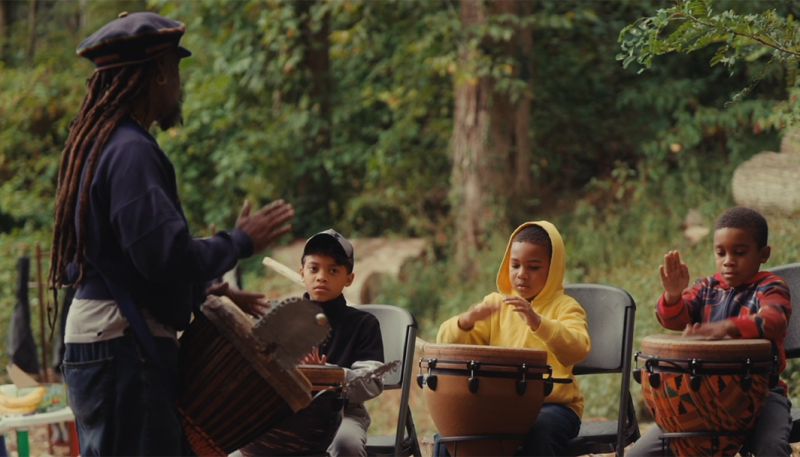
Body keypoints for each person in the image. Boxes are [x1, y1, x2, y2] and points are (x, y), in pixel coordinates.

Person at [48, 12, 294, 457]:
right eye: (176, 68)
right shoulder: (130, 152)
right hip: (123, 349)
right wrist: (239, 242)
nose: (179, 82)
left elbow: (129, 258)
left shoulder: (105, 145)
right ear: (159, 71)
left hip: (108, 343)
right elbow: (163, 257)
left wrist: (203, 288)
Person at [627, 206, 793, 457]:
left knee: (771, 448)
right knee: (639, 454)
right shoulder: (705, 287)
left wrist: (727, 327)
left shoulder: (770, 286)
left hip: (762, 394)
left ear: (763, 253)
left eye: (740, 252)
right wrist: (672, 295)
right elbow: (673, 319)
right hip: (700, 397)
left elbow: (774, 320)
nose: (729, 260)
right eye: (720, 252)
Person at [436, 221, 591, 457]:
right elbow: (446, 344)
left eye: (534, 267)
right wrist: (465, 322)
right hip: (500, 406)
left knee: (542, 428)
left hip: (553, 406)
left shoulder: (566, 307)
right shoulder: (495, 304)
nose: (522, 275)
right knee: (450, 436)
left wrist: (538, 322)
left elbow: (578, 348)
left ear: (553, 268)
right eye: (515, 265)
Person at [298, 229, 385, 457]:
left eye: (333, 270)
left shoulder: (363, 324)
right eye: (314, 268)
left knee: (346, 445)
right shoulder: (286, 320)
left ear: (349, 279)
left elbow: (372, 381)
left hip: (342, 413)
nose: (321, 276)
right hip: (288, 411)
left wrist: (330, 375)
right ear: (302, 272)